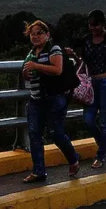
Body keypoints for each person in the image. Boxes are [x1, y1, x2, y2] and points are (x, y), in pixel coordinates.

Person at [21, 20, 81, 182]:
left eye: (39, 33)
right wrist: (27, 72)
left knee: (56, 133)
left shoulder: (54, 49)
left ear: (47, 34)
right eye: (32, 34)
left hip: (53, 97)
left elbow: (57, 69)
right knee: (34, 134)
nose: (35, 36)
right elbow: (28, 71)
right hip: (35, 99)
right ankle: (38, 171)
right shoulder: (32, 51)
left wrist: (35, 66)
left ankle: (73, 158)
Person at [70, 9, 106, 169]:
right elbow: (84, 62)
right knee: (88, 119)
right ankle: (103, 143)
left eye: (96, 25)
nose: (93, 28)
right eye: (90, 25)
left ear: (103, 24)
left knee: (105, 120)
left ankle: (101, 154)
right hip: (92, 84)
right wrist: (74, 57)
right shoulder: (87, 39)